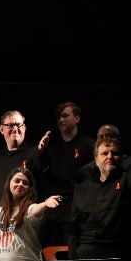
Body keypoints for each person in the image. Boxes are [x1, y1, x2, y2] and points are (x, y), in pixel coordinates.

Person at [35, 102, 95, 246]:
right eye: (58, 117)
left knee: (72, 252)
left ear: (77, 118)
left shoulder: (88, 145)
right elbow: (41, 172)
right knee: (50, 253)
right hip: (53, 208)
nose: (61, 120)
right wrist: (41, 152)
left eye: (65, 116)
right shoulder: (52, 146)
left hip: (76, 208)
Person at [0, 110, 41, 221]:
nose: (15, 129)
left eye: (18, 125)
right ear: (2, 129)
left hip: (25, 222)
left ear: (24, 127)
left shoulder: (35, 153)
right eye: (10, 125)